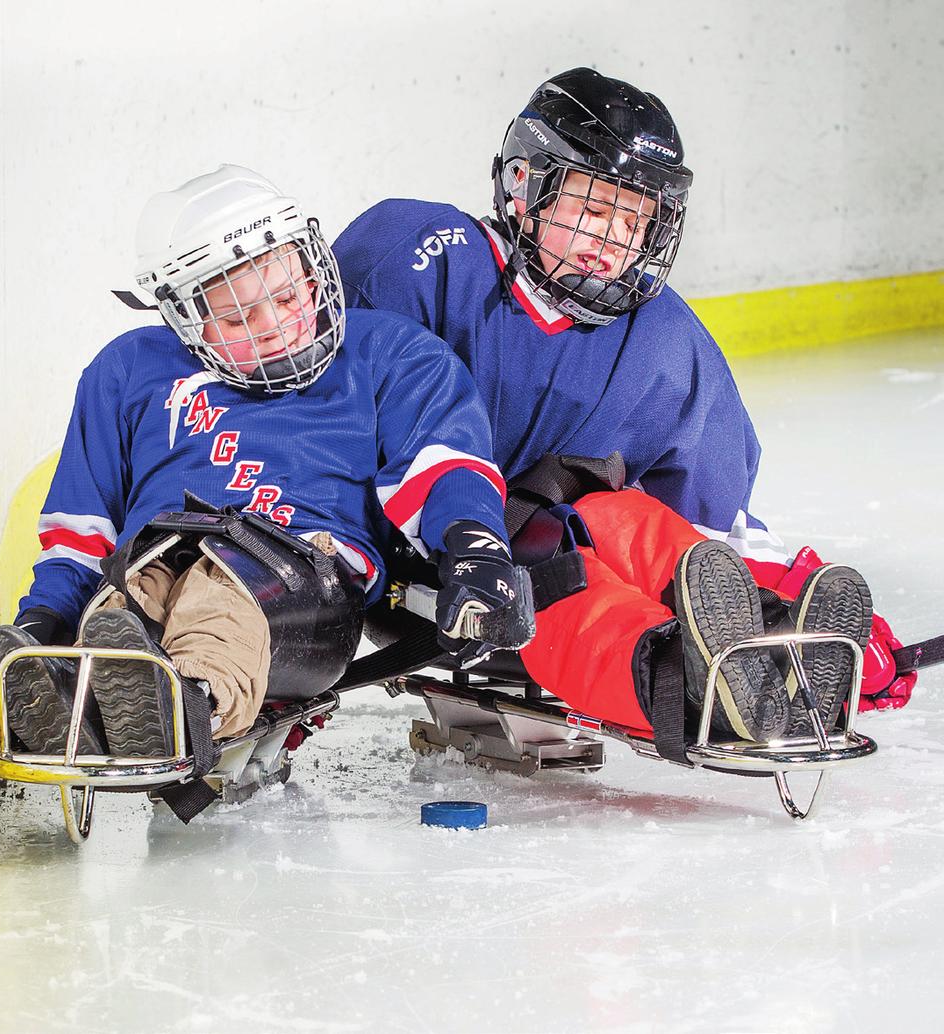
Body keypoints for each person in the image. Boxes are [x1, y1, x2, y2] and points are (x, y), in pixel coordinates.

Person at [333, 67, 912, 743]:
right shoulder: (422, 256)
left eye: (636, 221)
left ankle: (784, 633)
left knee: (619, 514)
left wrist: (772, 582)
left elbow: (704, 531)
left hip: (553, 526)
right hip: (430, 561)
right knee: (555, 566)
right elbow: (323, 423)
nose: (614, 244)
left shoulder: (666, 337)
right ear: (524, 188)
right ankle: (689, 687)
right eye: (596, 211)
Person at [0, 164, 524, 766]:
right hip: (160, 548)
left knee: (221, 593)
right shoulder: (127, 368)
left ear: (314, 276)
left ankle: (189, 701)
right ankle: (77, 699)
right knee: (128, 599)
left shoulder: (387, 351)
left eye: (288, 296)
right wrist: (45, 621)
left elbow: (445, 464)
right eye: (238, 318)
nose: (276, 327)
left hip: (307, 576)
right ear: (186, 317)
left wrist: (477, 551)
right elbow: (84, 523)